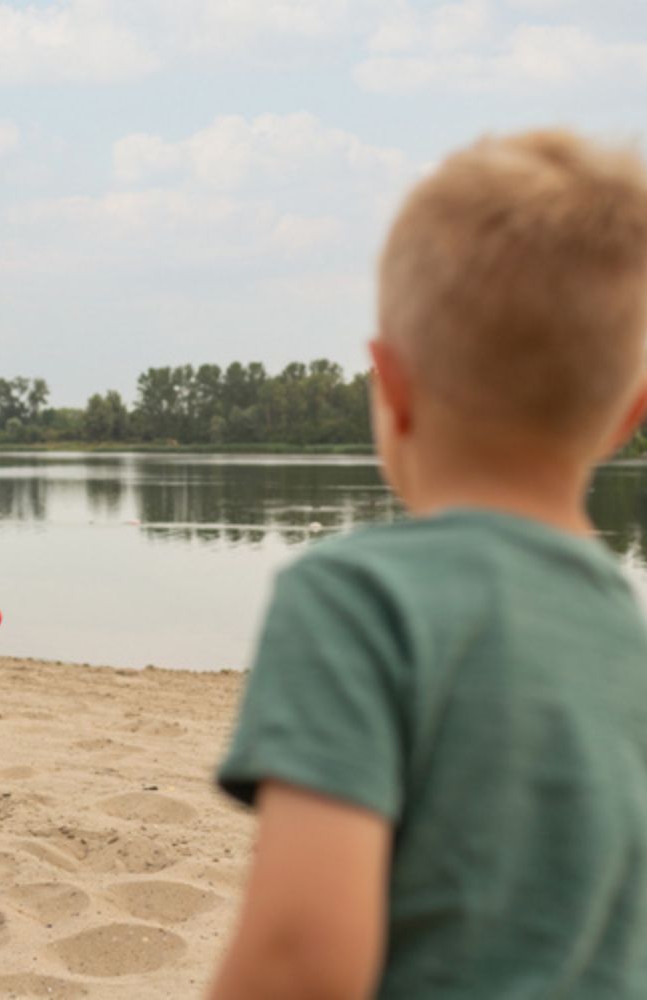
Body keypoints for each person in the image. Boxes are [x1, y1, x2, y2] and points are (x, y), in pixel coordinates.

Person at [210, 129, 647, 998]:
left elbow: (301, 956)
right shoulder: (626, 635)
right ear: (627, 416)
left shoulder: (355, 598)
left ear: (391, 384)